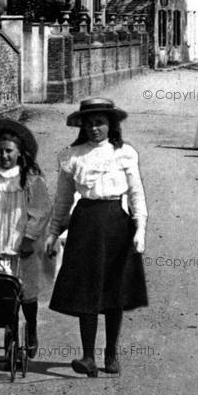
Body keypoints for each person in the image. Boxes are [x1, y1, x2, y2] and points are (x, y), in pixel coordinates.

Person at [45, 98, 148, 378]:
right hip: (85, 224)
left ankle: (111, 352)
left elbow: (136, 193)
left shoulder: (125, 153)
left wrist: (140, 230)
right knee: (87, 289)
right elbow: (63, 201)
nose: (95, 128)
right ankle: (88, 355)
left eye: (100, 122)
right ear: (82, 125)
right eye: (89, 123)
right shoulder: (72, 156)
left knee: (115, 288)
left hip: (116, 222)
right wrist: (54, 232)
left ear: (111, 125)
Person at [0, 118, 51, 358]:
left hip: (23, 244)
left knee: (25, 291)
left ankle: (32, 329)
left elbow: (41, 209)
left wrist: (29, 237)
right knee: (3, 293)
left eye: (9, 151)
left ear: (19, 153)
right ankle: (11, 342)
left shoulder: (31, 179)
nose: (4, 156)